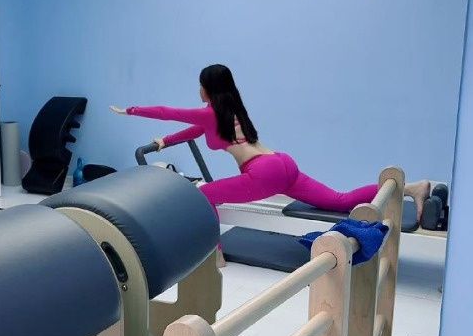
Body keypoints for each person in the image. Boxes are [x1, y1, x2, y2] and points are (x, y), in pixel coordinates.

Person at [111, 63, 431, 221]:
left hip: (263, 173)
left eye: (200, 85)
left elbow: (168, 113)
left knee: (204, 195)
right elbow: (195, 131)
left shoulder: (209, 112)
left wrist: (131, 110)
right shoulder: (230, 109)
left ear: (206, 89)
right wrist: (165, 142)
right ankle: (412, 188)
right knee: (340, 200)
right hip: (282, 163)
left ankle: (215, 255)